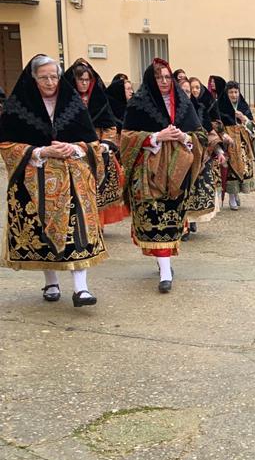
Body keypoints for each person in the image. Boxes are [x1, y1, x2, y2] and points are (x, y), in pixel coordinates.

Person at [0, 54, 106, 306]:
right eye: (44, 77)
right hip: (32, 179)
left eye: (54, 76)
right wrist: (40, 152)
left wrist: (74, 148)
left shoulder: (72, 104)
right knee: (40, 231)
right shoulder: (18, 107)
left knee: (78, 231)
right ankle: (51, 281)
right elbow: (6, 144)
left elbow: (92, 143)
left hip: (73, 181)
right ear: (33, 79)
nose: (50, 82)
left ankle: (82, 289)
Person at [120, 58, 205, 292]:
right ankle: (165, 271)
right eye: (159, 77)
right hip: (148, 172)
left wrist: (184, 138)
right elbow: (126, 138)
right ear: (151, 79)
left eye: (168, 77)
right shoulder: (138, 104)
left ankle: (164, 264)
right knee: (153, 217)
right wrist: (156, 137)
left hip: (178, 173)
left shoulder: (184, 104)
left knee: (171, 218)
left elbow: (201, 135)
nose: (165, 81)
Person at [66, 58, 131, 226]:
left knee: (97, 187)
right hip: (72, 150)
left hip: (96, 149)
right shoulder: (65, 102)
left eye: (87, 80)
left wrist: (106, 143)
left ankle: (97, 223)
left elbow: (110, 126)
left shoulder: (98, 99)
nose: (84, 83)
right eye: (81, 80)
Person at [181, 77, 226, 238]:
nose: (188, 93)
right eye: (184, 90)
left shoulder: (199, 108)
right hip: (178, 158)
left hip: (201, 157)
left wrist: (219, 151)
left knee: (196, 191)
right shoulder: (170, 112)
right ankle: (183, 225)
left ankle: (191, 220)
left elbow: (210, 132)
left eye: (190, 90)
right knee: (180, 192)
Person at [214, 77, 255, 208]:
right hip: (229, 143)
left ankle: (236, 193)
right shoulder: (220, 106)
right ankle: (231, 197)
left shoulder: (243, 106)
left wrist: (244, 119)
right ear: (226, 94)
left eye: (236, 92)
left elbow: (253, 127)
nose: (234, 95)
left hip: (243, 144)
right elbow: (217, 125)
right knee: (230, 169)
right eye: (231, 92)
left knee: (242, 169)